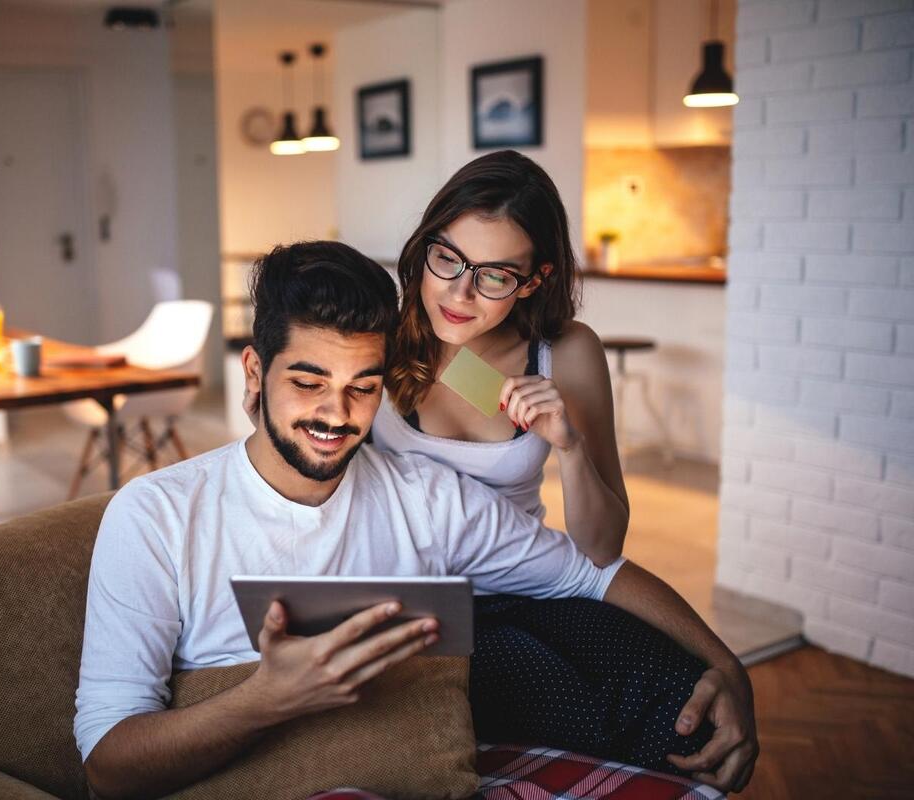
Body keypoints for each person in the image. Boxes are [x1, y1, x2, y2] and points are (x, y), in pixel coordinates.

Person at [75, 241, 757, 800]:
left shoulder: (427, 497)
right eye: (307, 383)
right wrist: (268, 698)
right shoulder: (157, 517)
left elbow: (594, 572)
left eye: (362, 388)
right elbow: (107, 766)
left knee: (652, 685)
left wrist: (725, 664)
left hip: (422, 758)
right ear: (254, 375)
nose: (335, 415)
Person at [242, 152, 669, 763]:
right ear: (425, 247)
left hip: (530, 580)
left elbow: (600, 550)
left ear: (535, 279)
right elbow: (305, 450)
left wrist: (569, 446)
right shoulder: (384, 338)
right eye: (447, 260)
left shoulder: (565, 352)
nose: (460, 294)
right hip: (413, 600)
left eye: (494, 276)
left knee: (661, 673)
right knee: (576, 701)